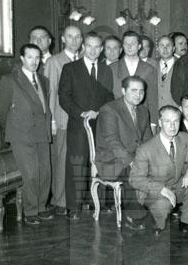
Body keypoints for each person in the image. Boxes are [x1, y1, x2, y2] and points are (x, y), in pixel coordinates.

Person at [59, 32, 114, 220]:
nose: (92, 50)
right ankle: (73, 207)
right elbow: (64, 97)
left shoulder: (106, 70)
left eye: (97, 47)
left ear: (101, 49)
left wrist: (98, 111)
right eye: (89, 46)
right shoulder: (70, 68)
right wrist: (81, 113)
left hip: (100, 124)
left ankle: (96, 202)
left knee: (99, 163)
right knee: (77, 162)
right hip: (78, 124)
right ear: (83, 46)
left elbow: (109, 96)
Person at [0, 44, 52, 224]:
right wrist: (14, 129)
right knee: (31, 174)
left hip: (42, 133)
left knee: (45, 173)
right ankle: (31, 211)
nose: (34, 61)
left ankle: (41, 207)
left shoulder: (43, 80)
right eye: (30, 57)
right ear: (21, 58)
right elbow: (1, 111)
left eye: (37, 57)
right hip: (22, 135)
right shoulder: (10, 80)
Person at [130, 105, 188, 236]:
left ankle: (187, 222)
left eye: (176, 121)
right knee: (162, 206)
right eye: (167, 121)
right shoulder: (145, 148)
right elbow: (135, 179)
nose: (172, 126)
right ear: (160, 123)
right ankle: (155, 221)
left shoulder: (186, 139)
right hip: (153, 191)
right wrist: (161, 189)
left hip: (176, 186)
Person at [94, 76, 153, 230]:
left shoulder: (143, 110)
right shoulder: (109, 109)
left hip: (135, 158)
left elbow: (148, 140)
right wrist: (133, 162)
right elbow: (112, 142)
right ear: (123, 91)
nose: (138, 95)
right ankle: (134, 214)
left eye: (141, 91)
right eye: (134, 90)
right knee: (132, 171)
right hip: (111, 160)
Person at [43, 25, 82, 216]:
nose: (74, 40)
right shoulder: (54, 61)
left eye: (78, 37)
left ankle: (76, 199)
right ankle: (60, 200)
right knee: (61, 161)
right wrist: (51, 120)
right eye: (70, 37)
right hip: (62, 120)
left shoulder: (84, 60)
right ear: (63, 39)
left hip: (81, 121)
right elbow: (49, 93)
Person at [109, 31, 158, 131]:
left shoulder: (150, 69)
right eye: (126, 43)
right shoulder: (111, 68)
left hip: (142, 120)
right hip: (117, 119)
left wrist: (153, 124)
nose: (129, 46)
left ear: (139, 46)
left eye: (133, 43)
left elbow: (152, 99)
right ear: (123, 46)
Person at [156, 35, 177, 108]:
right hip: (156, 111)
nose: (165, 49)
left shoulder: (182, 65)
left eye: (168, 45)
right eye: (162, 45)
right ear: (157, 48)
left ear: (173, 48)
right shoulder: (151, 66)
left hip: (175, 111)